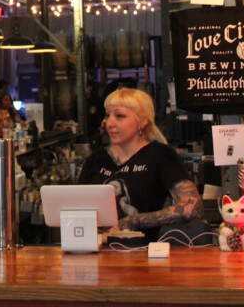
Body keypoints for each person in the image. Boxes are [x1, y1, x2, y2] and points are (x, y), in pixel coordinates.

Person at [78, 88, 203, 240]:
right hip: (95, 250)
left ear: (142, 121)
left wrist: (134, 221)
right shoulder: (96, 159)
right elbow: (77, 208)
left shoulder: (160, 155)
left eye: (119, 116)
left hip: (143, 253)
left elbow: (193, 206)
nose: (109, 123)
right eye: (107, 115)